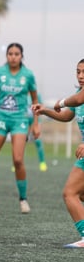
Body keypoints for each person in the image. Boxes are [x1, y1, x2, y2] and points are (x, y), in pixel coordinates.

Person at [0, 42, 40, 214]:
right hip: (0, 119)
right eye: (10, 53)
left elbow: (35, 101)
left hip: (19, 120)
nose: (13, 56)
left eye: (16, 54)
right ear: (7, 56)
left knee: (18, 160)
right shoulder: (0, 72)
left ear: (21, 56)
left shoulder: (28, 75)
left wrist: (35, 123)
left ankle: (23, 199)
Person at [32, 59, 84, 247]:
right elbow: (67, 115)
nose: (80, 75)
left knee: (70, 193)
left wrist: (59, 102)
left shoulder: (79, 96)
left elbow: (75, 101)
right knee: (78, 193)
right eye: (78, 72)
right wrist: (45, 110)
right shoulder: (79, 94)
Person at [11, 92, 47, 172]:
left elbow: (41, 107)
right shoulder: (20, 94)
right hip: (23, 121)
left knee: (37, 141)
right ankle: (16, 164)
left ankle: (42, 163)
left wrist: (36, 124)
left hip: (34, 121)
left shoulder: (36, 95)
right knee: (20, 142)